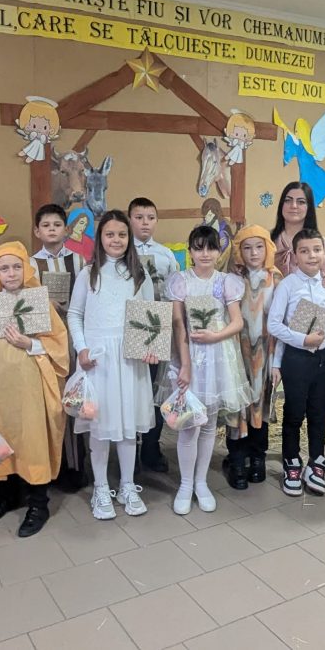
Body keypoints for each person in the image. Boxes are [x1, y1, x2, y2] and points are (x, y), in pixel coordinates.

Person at [0, 242, 69, 537]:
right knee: (3, 438)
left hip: (31, 388)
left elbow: (60, 346)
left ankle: (39, 503)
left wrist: (31, 344)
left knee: (33, 440)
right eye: (4, 267)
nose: (11, 273)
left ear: (26, 267)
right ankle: (6, 494)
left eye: (16, 266)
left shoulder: (39, 301)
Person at [67, 210, 157, 520]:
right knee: (100, 427)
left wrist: (149, 347)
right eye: (110, 234)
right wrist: (81, 348)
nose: (116, 239)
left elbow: (148, 316)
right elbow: (74, 314)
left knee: (127, 428)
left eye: (121, 234)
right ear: (100, 238)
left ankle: (129, 485)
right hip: (98, 361)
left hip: (130, 360)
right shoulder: (88, 273)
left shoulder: (138, 275)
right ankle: (102, 487)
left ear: (129, 238)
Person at [160, 225, 249, 515]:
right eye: (198, 248)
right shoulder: (180, 281)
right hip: (189, 357)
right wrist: (184, 364)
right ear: (190, 251)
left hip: (217, 356)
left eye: (211, 247)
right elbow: (177, 324)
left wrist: (215, 337)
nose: (205, 253)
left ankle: (201, 483)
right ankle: (185, 484)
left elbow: (237, 322)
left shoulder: (227, 282)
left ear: (219, 250)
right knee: (189, 424)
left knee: (209, 424)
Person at [267, 228, 325, 498]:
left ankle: (317, 463)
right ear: (295, 255)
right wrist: (302, 339)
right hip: (296, 358)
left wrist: (318, 342)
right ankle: (292, 463)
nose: (312, 255)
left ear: (324, 252)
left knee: (319, 412)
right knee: (295, 413)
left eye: (317, 250)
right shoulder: (287, 285)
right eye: (305, 251)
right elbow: (274, 324)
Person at [31, 203, 88, 490]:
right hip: (45, 344)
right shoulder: (30, 264)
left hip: (75, 340)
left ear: (66, 229)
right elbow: (25, 304)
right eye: (46, 225)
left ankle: (77, 467)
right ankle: (52, 466)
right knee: (52, 402)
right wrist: (45, 302)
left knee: (75, 398)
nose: (51, 229)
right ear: (37, 230)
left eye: (57, 225)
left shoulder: (79, 261)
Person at [223, 225, 282, 490]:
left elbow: (282, 322)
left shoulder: (277, 280)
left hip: (266, 355)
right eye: (247, 247)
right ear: (239, 252)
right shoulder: (232, 280)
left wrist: (278, 361)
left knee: (261, 405)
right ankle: (236, 458)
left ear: (268, 249)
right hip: (237, 354)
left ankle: (257, 457)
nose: (253, 253)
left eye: (259, 246)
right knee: (237, 406)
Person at [128, 197, 180, 473]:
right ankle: (128, 449)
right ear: (130, 220)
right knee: (133, 386)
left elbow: (176, 290)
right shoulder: (120, 252)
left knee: (155, 387)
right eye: (139, 217)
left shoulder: (165, 255)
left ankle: (151, 446)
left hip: (160, 325)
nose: (145, 222)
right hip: (131, 325)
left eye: (150, 217)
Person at [270, 182, 325, 288]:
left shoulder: (320, 242)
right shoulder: (267, 238)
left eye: (301, 202)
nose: (293, 206)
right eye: (288, 200)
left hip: (306, 301)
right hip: (271, 301)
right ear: (281, 205)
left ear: (309, 208)